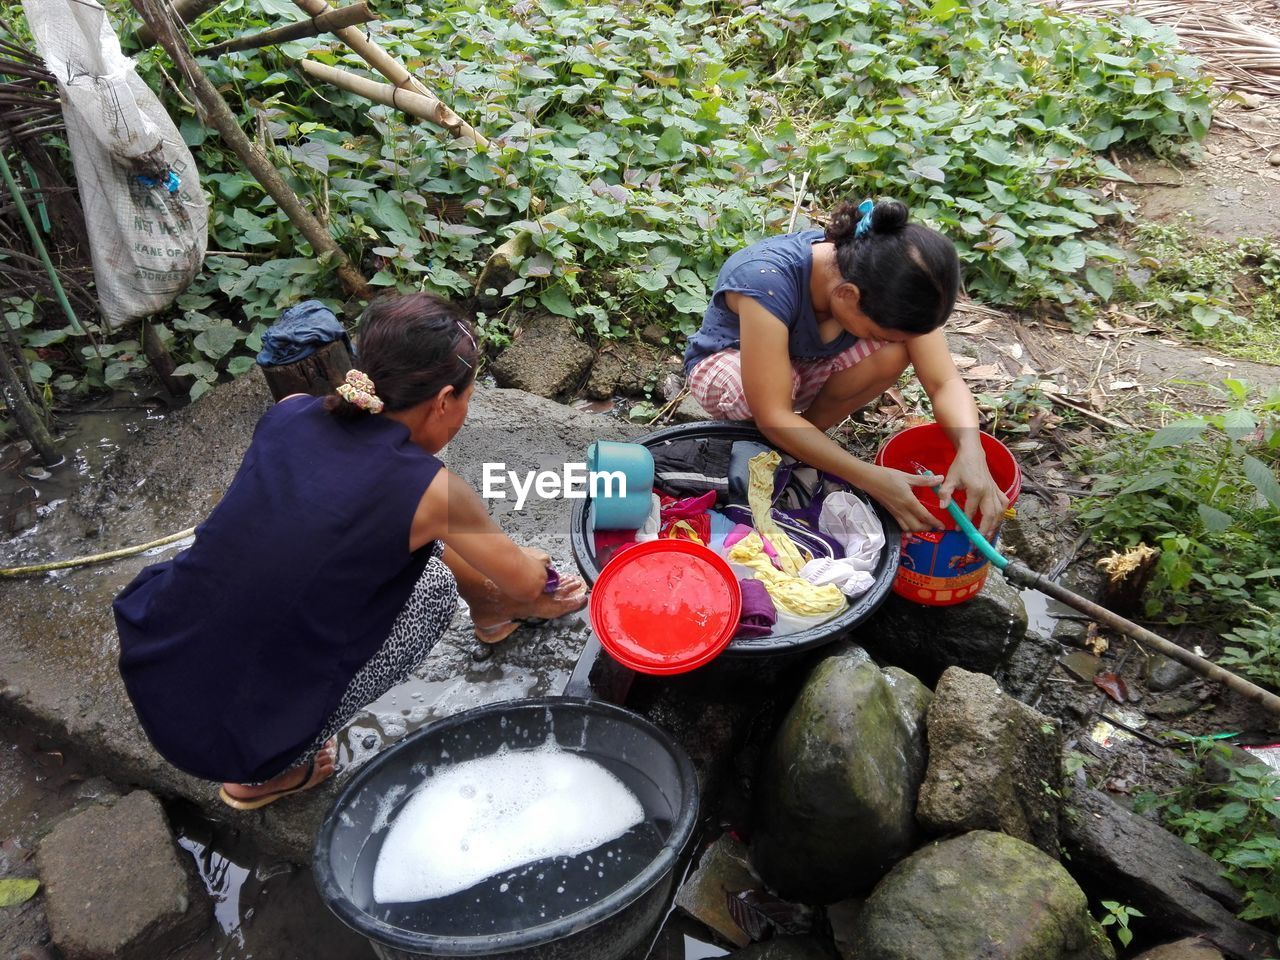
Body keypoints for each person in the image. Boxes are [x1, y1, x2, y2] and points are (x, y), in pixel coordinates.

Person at [113, 293, 587, 810]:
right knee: (431, 594)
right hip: (231, 741)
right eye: (468, 402)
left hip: (157, 668)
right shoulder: (433, 493)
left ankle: (488, 612)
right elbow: (523, 583)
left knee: (391, 546)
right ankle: (273, 772)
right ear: (445, 400)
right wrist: (539, 585)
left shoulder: (290, 413)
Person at [683, 198, 1009, 538]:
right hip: (728, 366)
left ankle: (796, 443)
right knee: (768, 405)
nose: (878, 338)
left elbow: (944, 383)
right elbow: (773, 413)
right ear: (847, 296)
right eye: (874, 331)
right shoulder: (766, 281)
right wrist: (869, 477)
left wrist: (973, 451)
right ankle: (757, 444)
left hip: (802, 366)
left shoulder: (883, 279)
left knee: (893, 352)